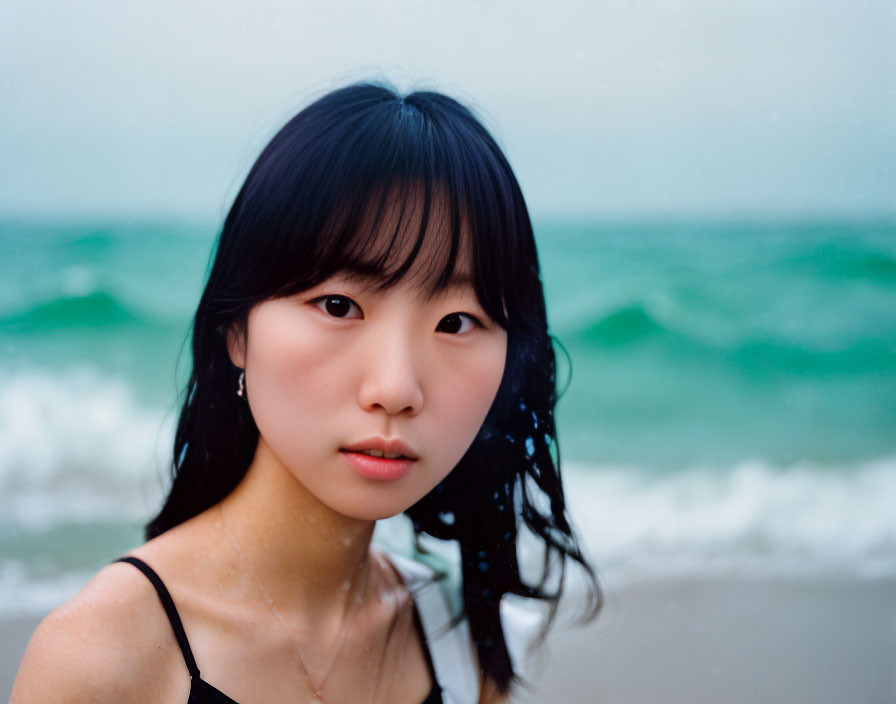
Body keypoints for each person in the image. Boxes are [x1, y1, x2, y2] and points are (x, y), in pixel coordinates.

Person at [11, 82, 598, 704]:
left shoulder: (457, 637)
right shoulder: (103, 659)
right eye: (338, 305)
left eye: (456, 322)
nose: (396, 389)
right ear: (235, 330)